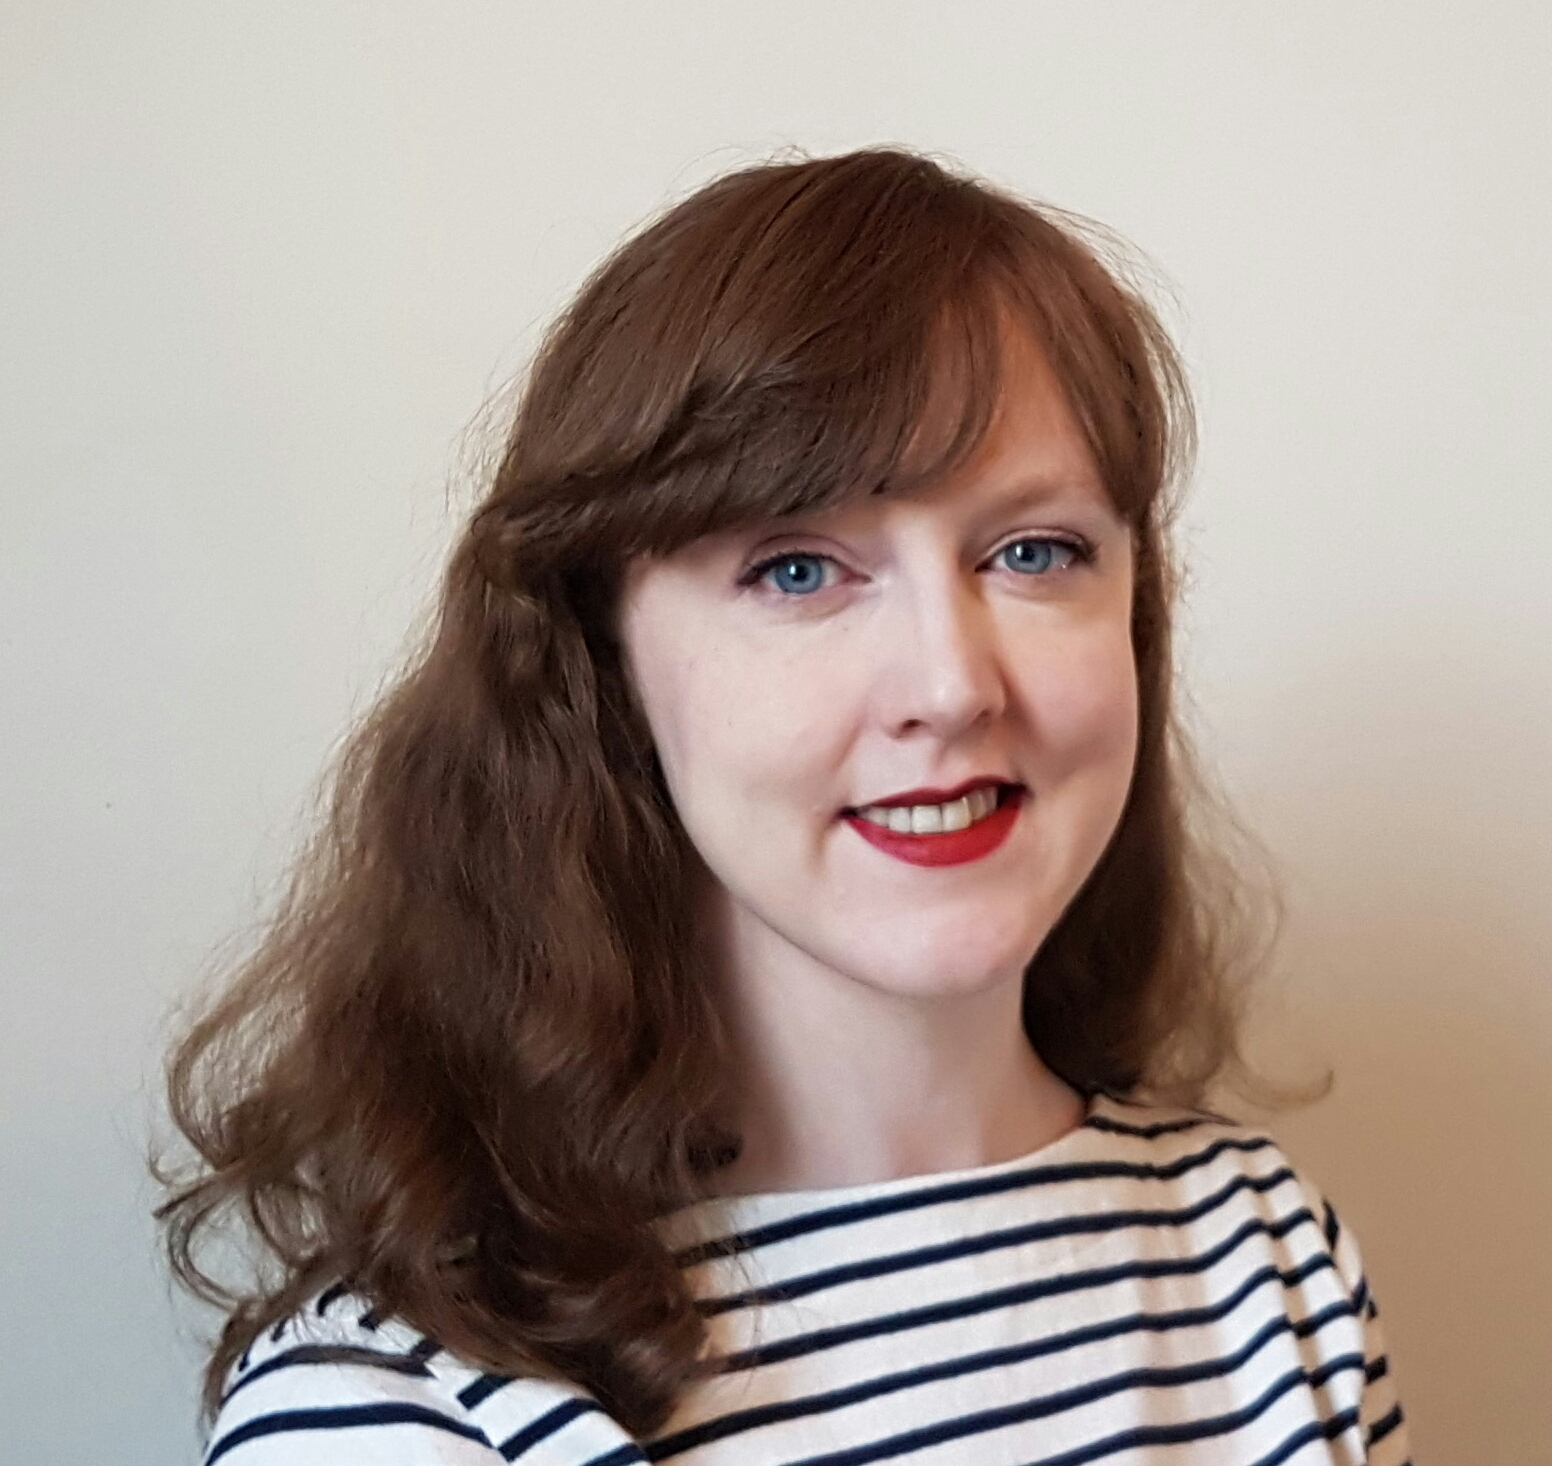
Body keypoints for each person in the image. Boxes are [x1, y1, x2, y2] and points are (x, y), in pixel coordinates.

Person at [159, 147, 1414, 1465]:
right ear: (605, 663)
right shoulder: (403, 1410)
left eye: (1035, 551)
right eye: (798, 568)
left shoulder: (1270, 1259)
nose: (950, 684)